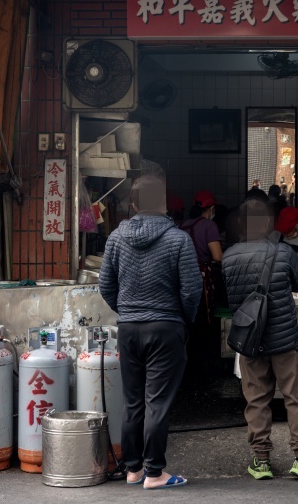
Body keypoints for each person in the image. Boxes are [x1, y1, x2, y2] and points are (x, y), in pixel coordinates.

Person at [99, 174, 202, 490]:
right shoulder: (178, 239)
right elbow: (191, 289)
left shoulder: (116, 238)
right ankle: (155, 473)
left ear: (132, 204)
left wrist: (129, 312)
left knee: (133, 401)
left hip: (129, 330)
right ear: (162, 203)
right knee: (157, 401)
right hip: (165, 328)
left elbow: (106, 285)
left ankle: (133, 469)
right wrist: (181, 321)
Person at [223, 199, 298, 481]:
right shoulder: (284, 253)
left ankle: (261, 461)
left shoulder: (229, 256)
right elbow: (297, 284)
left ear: (241, 224)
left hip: (250, 340)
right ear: (268, 224)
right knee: (295, 397)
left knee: (255, 400)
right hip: (284, 340)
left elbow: (230, 298)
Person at [181, 190, 225, 372]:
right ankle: (204, 360)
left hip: (183, 275)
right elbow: (218, 256)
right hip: (202, 276)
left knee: (188, 316)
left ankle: (188, 356)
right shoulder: (209, 225)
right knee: (205, 316)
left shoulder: (184, 225)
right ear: (211, 208)